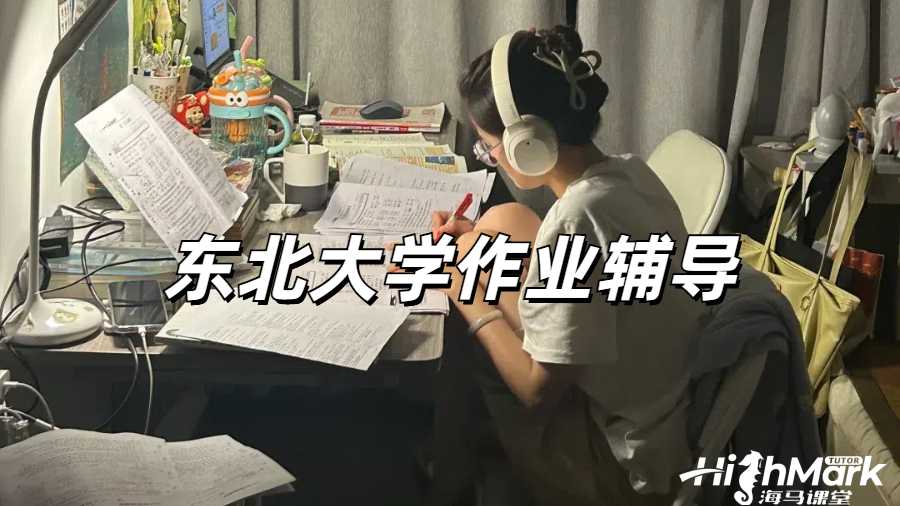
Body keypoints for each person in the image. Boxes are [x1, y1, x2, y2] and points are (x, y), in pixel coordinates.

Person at [427, 26, 707, 505]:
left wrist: (463, 294)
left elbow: (536, 391)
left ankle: (449, 481)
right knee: (499, 222)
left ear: (526, 143)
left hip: (618, 462)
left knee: (467, 332)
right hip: (664, 411)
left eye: (488, 148)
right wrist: (472, 250)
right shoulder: (629, 172)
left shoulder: (575, 221)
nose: (490, 159)